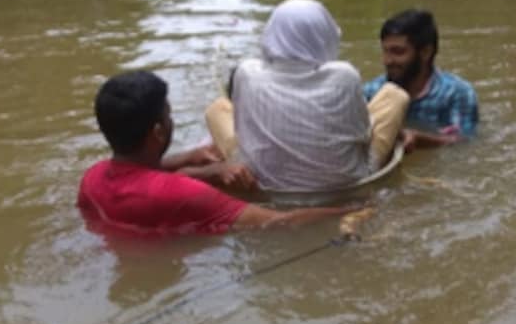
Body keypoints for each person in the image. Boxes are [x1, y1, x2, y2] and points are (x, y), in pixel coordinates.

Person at [77, 71, 353, 236]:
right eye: (169, 115)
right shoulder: (181, 192)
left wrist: (189, 161)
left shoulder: (91, 179)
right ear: (158, 132)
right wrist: (351, 209)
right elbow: (280, 223)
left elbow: (139, 177)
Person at [205, 0, 410, 192]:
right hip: (348, 184)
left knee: (217, 109)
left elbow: (243, 129)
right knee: (394, 95)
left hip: (261, 182)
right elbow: (362, 136)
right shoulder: (344, 76)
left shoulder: (247, 73)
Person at [364, 9, 479, 149]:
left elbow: (464, 141)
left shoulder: (456, 94)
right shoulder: (373, 92)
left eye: (398, 52)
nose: (387, 60)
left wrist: (422, 141)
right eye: (385, 51)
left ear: (426, 52)